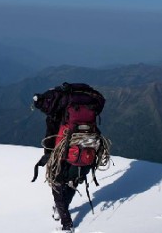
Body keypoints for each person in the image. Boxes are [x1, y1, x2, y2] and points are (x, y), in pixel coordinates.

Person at [32, 82, 107, 233]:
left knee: (57, 182)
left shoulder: (56, 110)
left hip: (64, 151)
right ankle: (62, 209)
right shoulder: (87, 101)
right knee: (74, 179)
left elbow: (50, 136)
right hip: (87, 149)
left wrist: (47, 154)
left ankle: (66, 223)